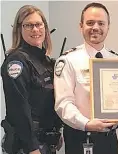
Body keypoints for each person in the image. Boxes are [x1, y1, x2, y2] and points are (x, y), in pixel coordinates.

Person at [54, 2, 118, 154]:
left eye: (101, 23)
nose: (95, 27)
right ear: (81, 26)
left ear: (108, 27)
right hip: (81, 139)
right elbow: (63, 104)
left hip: (110, 140)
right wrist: (86, 124)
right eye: (90, 23)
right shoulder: (68, 60)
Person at [1, 5, 63, 154]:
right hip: (27, 146)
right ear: (19, 29)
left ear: (45, 28)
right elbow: (18, 108)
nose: (35, 30)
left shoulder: (48, 62)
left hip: (47, 143)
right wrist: (32, 147)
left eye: (38, 24)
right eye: (28, 25)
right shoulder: (17, 62)